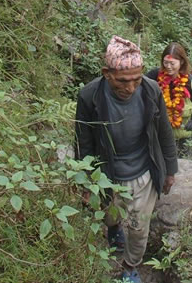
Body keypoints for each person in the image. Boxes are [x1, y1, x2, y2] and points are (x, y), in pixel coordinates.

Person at [74, 36, 178, 283]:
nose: (130, 87)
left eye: (136, 79)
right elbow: (83, 142)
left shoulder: (151, 90)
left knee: (139, 228)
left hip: (143, 171)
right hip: (108, 173)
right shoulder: (90, 97)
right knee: (111, 215)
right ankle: (112, 229)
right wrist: (85, 182)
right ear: (107, 74)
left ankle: (131, 266)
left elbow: (164, 131)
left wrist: (170, 170)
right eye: (123, 81)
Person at [146, 42, 192, 158]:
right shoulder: (155, 76)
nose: (168, 66)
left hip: (185, 134)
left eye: (172, 63)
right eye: (165, 62)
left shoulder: (190, 82)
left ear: (181, 62)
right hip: (163, 133)